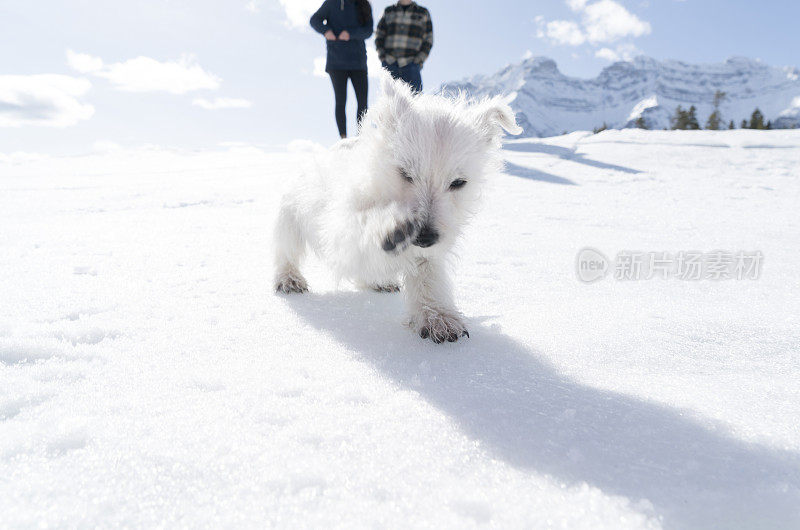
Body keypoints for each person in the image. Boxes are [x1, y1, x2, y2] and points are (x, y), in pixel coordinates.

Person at [310, 0, 374, 139]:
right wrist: (326, 31)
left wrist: (350, 34)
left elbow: (368, 31)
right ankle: (343, 139)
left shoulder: (364, 5)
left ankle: (361, 138)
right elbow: (314, 20)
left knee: (362, 102)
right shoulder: (331, 3)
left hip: (358, 62)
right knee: (340, 101)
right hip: (336, 62)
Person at [375, 0, 433, 93]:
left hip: (412, 66)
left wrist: (418, 60)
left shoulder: (423, 13)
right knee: (390, 103)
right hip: (390, 65)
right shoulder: (388, 11)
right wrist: (383, 57)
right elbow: (379, 35)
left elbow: (428, 39)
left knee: (415, 103)